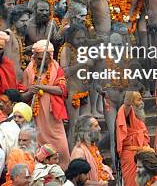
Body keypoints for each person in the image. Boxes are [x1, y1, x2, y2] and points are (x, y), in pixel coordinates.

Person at [21, 40, 70, 169]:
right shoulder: (28, 71)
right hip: (36, 117)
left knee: (62, 147)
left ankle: (64, 172)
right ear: (34, 58)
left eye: (45, 59)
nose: (42, 61)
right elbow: (22, 95)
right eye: (38, 59)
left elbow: (62, 90)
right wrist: (31, 91)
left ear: (50, 57)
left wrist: (42, 86)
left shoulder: (56, 69)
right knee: (39, 147)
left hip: (52, 116)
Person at [116, 91, 151, 186]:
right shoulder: (126, 111)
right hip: (131, 156)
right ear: (131, 101)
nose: (142, 102)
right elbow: (126, 105)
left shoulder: (138, 115)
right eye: (139, 99)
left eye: (141, 99)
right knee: (132, 183)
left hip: (143, 154)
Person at [70, 115, 112, 183]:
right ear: (86, 130)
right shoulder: (79, 152)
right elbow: (78, 181)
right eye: (96, 126)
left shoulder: (93, 147)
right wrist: (99, 184)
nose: (100, 128)